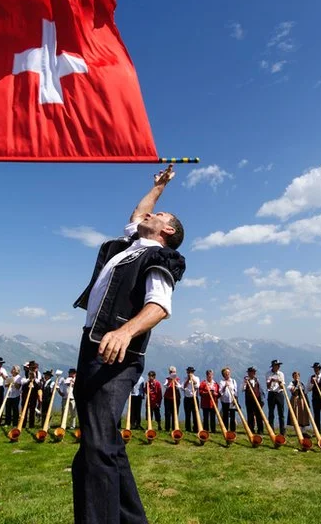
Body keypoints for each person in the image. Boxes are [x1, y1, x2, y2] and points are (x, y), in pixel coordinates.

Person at [69, 164, 185, 524]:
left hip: (117, 354)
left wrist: (124, 332)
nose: (150, 213)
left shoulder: (159, 256)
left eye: (160, 214)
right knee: (106, 444)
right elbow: (137, 215)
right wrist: (160, 187)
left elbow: (159, 306)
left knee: (96, 449)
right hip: (93, 347)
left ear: (167, 230)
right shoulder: (130, 245)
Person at [266, 359, 286, 435]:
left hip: (279, 393)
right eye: (277, 365)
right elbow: (268, 386)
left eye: (278, 365)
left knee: (281, 413)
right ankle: (271, 430)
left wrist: (279, 381)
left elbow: (282, 387)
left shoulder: (281, 374)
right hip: (271, 393)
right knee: (271, 413)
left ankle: (282, 431)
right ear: (273, 366)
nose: (278, 367)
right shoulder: (268, 374)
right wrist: (271, 381)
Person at [243, 367, 264, 435]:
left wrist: (262, 400)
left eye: (254, 372)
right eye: (251, 372)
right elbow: (242, 389)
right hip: (249, 400)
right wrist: (245, 383)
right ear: (249, 373)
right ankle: (251, 429)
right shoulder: (246, 381)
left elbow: (260, 390)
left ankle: (260, 430)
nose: (253, 373)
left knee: (259, 415)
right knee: (250, 415)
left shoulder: (257, 380)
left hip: (257, 399)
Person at [22, 361, 43, 428]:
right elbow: (22, 382)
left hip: (34, 393)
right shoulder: (26, 373)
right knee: (24, 408)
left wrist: (34, 378)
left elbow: (39, 382)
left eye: (35, 368)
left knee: (32, 408)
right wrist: (29, 379)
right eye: (32, 368)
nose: (34, 369)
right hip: (26, 392)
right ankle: (23, 424)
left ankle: (31, 425)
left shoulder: (38, 373)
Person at [218, 367, 238, 432]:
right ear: (223, 374)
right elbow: (220, 392)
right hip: (225, 401)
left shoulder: (233, 381)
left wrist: (235, 399)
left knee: (232, 416)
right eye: (226, 373)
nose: (227, 374)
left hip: (232, 401)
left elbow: (235, 391)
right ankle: (225, 429)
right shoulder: (222, 382)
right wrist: (225, 386)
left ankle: (233, 430)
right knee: (225, 416)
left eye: (228, 373)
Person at [163, 366, 182, 432]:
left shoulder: (178, 379)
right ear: (169, 372)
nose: (173, 373)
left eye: (174, 372)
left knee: (175, 412)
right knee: (167, 413)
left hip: (176, 398)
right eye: (171, 372)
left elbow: (179, 387)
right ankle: (167, 428)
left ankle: (175, 427)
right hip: (168, 398)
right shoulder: (167, 379)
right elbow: (165, 386)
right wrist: (170, 381)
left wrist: (175, 381)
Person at [181, 367, 199, 433]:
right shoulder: (185, 378)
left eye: (191, 372)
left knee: (195, 414)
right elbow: (182, 387)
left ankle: (196, 428)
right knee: (187, 414)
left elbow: (197, 386)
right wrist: (188, 380)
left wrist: (193, 379)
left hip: (194, 398)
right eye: (188, 372)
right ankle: (187, 428)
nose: (190, 373)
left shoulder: (196, 378)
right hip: (187, 398)